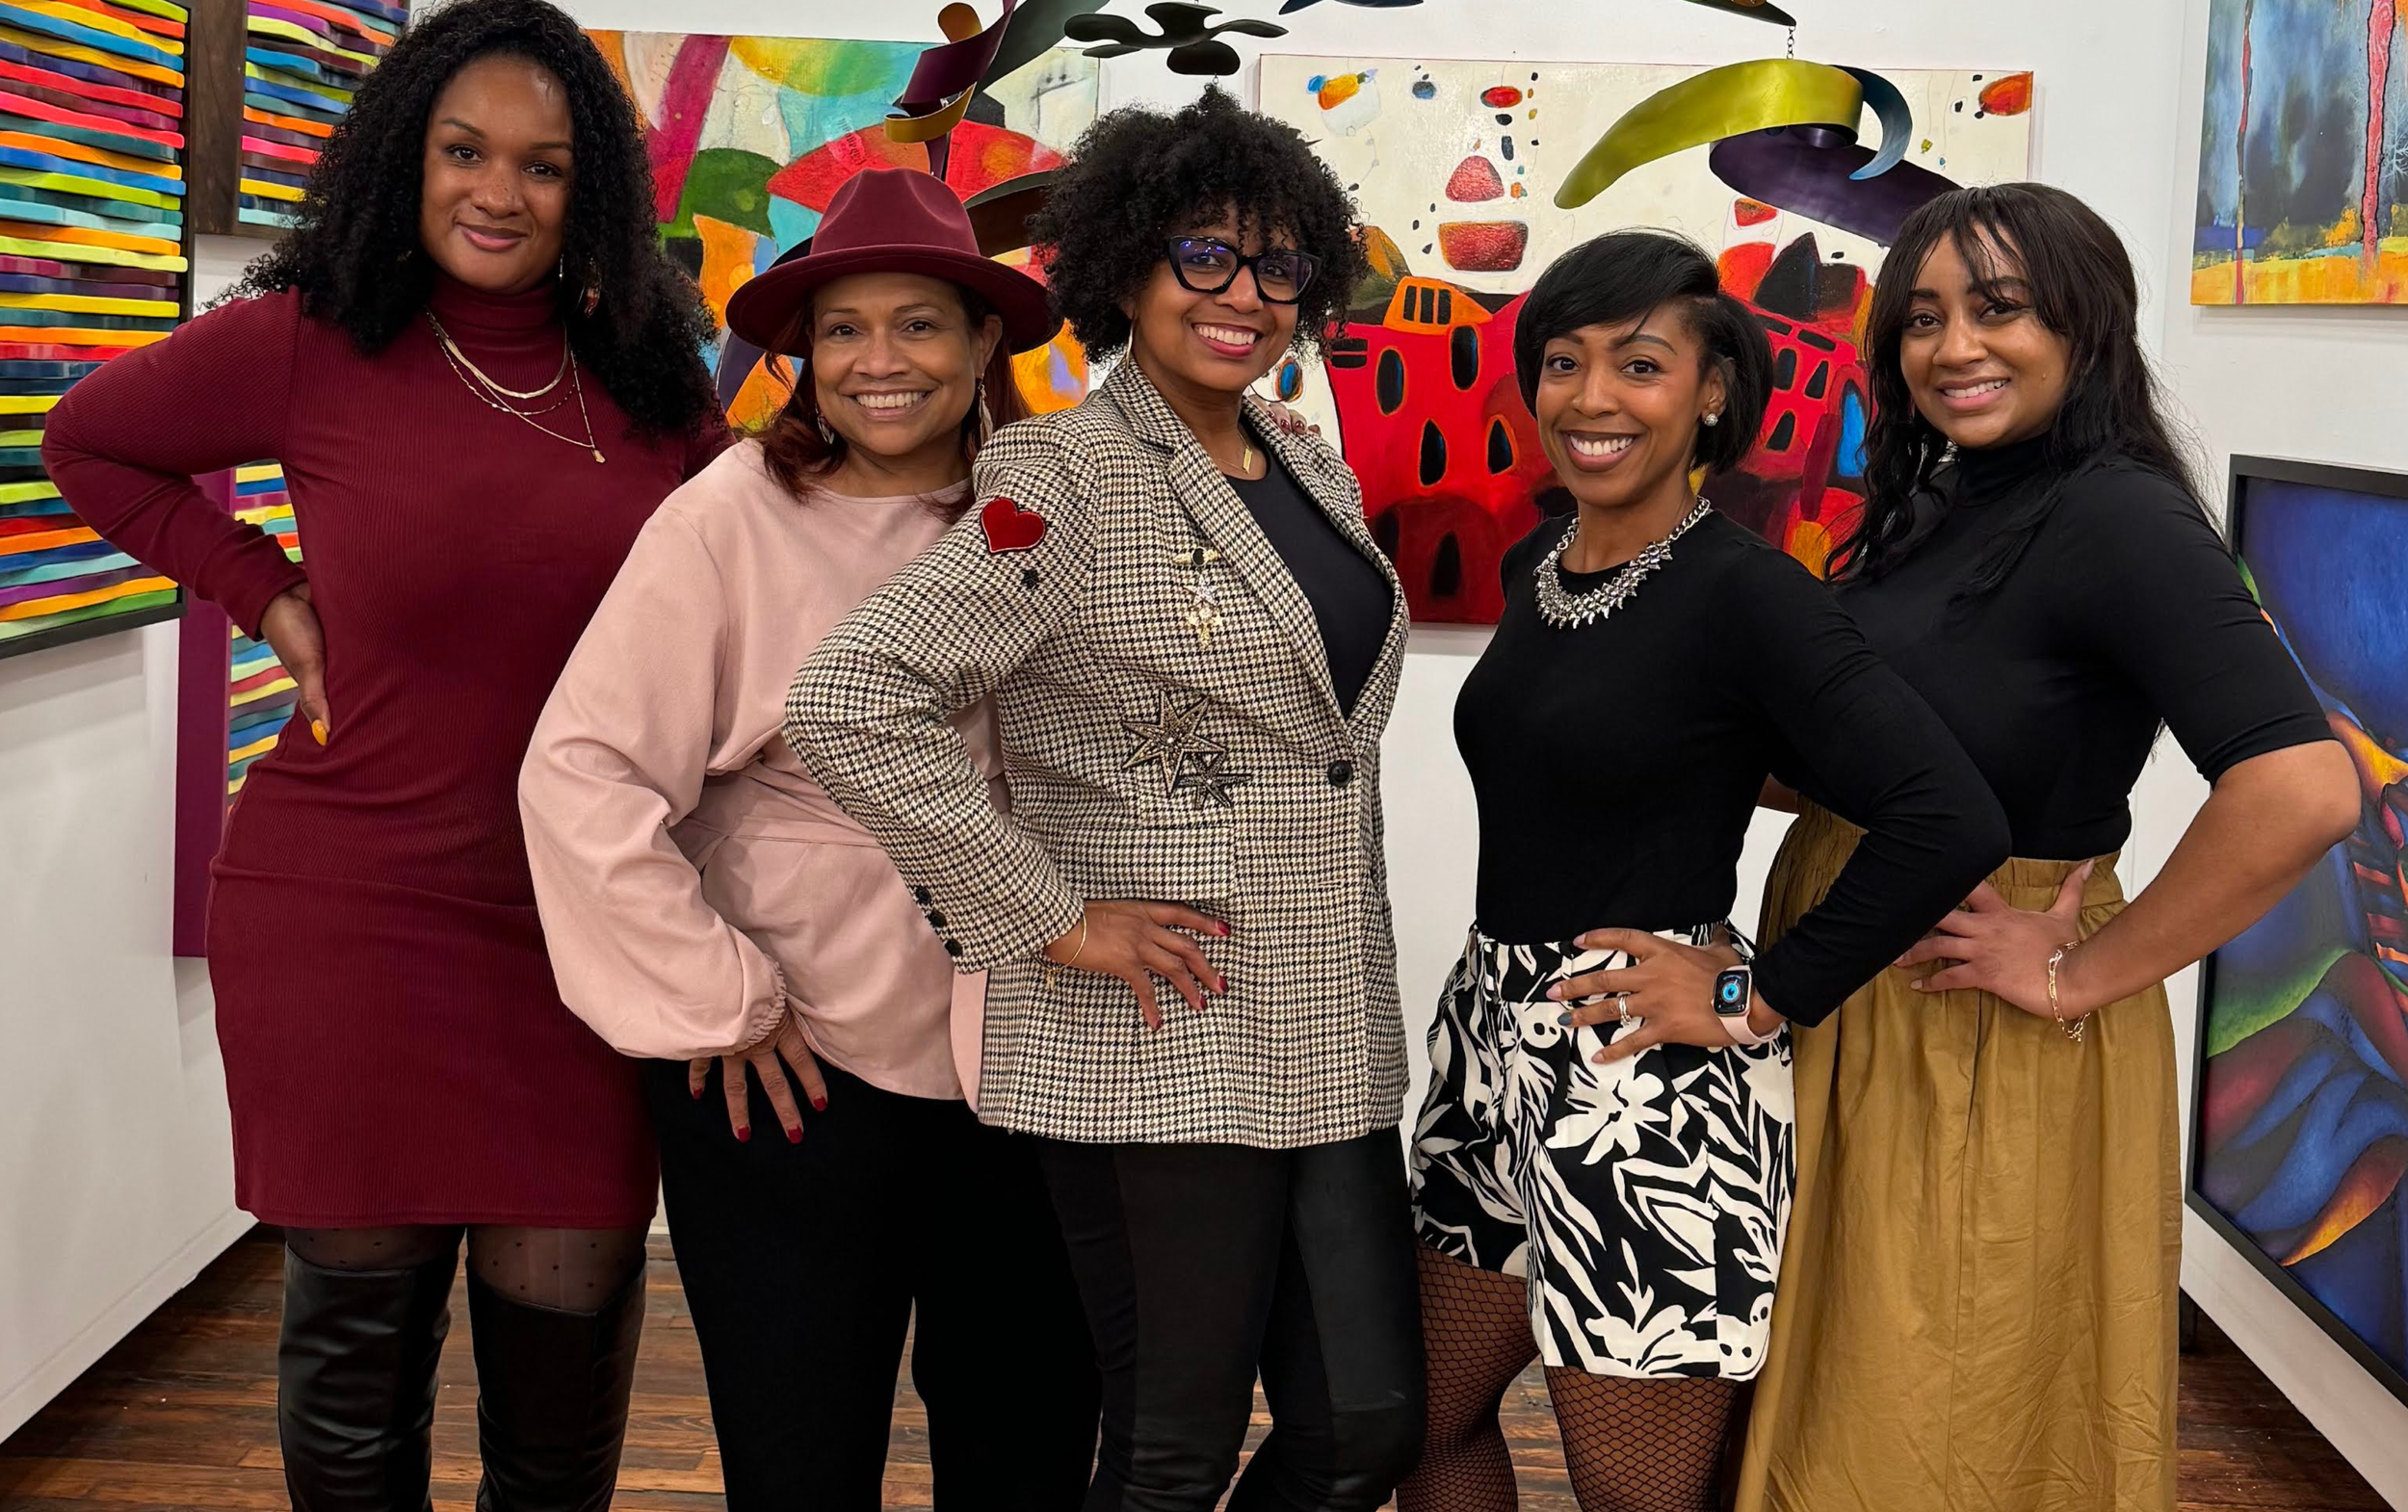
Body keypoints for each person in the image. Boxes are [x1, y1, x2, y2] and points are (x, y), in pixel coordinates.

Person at [42, 0, 726, 1512]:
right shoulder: (311, 343)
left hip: (582, 932)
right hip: (350, 910)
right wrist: (261, 591)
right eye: (463, 150)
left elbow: (762, 560)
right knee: (356, 1401)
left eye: (543, 165)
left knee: (560, 1416)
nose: (499, 192)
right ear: (404, 156)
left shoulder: (648, 379)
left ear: (591, 192)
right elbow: (84, 437)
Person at [786, 89, 1423, 1512]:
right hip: (1157, 1024)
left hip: (1328, 1019)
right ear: (1128, 268)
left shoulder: (1308, 464)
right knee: (1169, 1451)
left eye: (1276, 263)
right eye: (1204, 254)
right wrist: (1049, 915)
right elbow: (853, 697)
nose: (1243, 292)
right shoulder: (1059, 476)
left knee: (1365, 1427)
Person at [1732, 183, 2362, 1512]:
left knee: (1937, 1412)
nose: (1954, 346)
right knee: (1855, 1388)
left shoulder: (2115, 514)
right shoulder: (1944, 498)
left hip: (1974, 1023)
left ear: (2086, 324)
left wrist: (2078, 972)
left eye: (2000, 308)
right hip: (1862, 986)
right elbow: (1914, 752)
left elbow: (2303, 789)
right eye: (1922, 319)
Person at [1393, 230, 2008, 1512]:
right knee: (1422, 1424)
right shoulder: (1539, 567)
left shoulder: (1750, 593)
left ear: (1713, 392)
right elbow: (1652, 741)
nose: (1592, 398)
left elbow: (1946, 814)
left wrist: (1754, 994)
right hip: (1489, 1042)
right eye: (1564, 361)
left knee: (1635, 1497)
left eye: (1640, 363)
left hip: (1646, 1081)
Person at [517, 169, 1099, 1508]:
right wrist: (714, 996)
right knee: (800, 1452)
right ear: (804, 354)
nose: (878, 360)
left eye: (918, 324)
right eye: (844, 329)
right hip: (800, 1059)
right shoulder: (730, 515)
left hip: (1038, 1051)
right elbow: (584, 771)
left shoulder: (1050, 506)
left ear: (984, 340)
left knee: (1028, 1442)